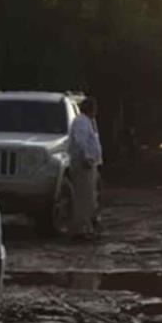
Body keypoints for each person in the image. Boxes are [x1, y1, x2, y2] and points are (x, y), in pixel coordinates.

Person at [68, 97, 103, 238]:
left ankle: (86, 227)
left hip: (88, 164)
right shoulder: (81, 122)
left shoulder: (86, 122)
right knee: (83, 197)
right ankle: (80, 229)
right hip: (83, 164)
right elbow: (80, 141)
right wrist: (87, 157)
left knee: (89, 197)